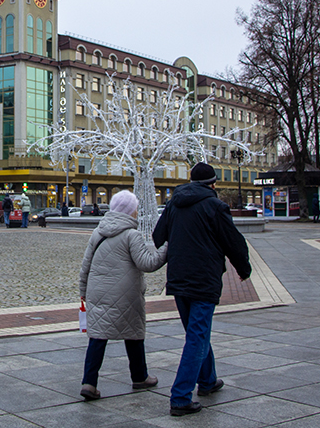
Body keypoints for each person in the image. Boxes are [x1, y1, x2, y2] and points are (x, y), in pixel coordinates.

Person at [152, 162, 251, 416]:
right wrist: (244, 269)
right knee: (197, 336)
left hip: (178, 279)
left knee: (196, 332)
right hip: (204, 280)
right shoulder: (215, 206)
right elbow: (234, 242)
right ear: (213, 184)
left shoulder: (174, 203)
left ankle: (207, 380)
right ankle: (180, 397)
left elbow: (157, 236)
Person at [79, 190, 167, 401]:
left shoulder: (98, 232)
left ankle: (89, 383)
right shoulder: (131, 234)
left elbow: (85, 266)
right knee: (134, 334)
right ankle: (139, 376)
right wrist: (167, 248)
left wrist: (83, 293)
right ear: (130, 211)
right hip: (126, 295)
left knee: (97, 337)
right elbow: (147, 263)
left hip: (97, 293)